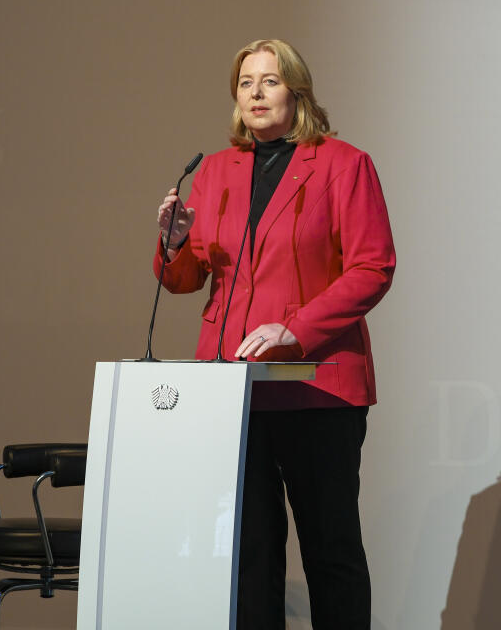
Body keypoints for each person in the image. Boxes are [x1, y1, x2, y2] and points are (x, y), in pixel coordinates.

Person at [154, 39, 396, 629]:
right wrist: (176, 239)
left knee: (330, 552)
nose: (256, 93)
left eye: (269, 81)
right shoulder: (217, 170)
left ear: (297, 90)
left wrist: (293, 331)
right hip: (233, 390)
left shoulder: (344, 163)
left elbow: (373, 267)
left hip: (317, 386)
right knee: (248, 556)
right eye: (245, 83)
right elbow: (187, 279)